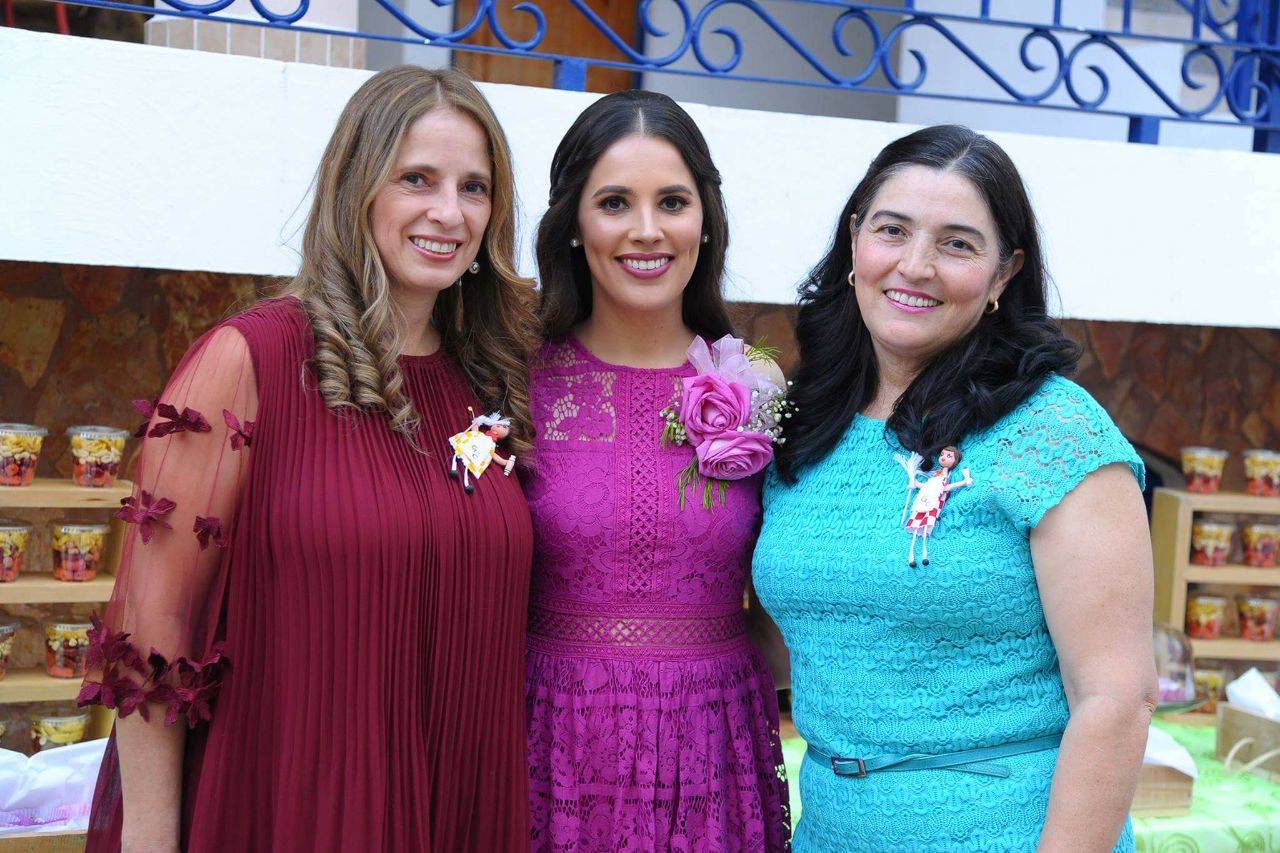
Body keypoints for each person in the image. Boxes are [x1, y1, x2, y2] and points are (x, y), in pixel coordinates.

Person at [77, 66, 538, 851]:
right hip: (296, 806)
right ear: (355, 186)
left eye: (474, 187)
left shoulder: (490, 382)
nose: (449, 212)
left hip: (461, 805)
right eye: (417, 179)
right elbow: (153, 640)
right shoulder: (247, 361)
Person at [753, 125, 1154, 852]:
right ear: (854, 239)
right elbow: (809, 634)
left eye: (957, 244)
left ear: (1004, 274)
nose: (915, 265)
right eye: (892, 230)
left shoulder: (1054, 432)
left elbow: (1116, 697)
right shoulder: (806, 422)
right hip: (831, 832)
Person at [523, 90, 790, 851]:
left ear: (705, 220)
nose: (647, 229)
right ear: (573, 224)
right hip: (547, 739)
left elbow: (788, 589)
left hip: (713, 746)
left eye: (672, 201)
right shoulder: (515, 382)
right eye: (615, 202)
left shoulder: (757, 386)